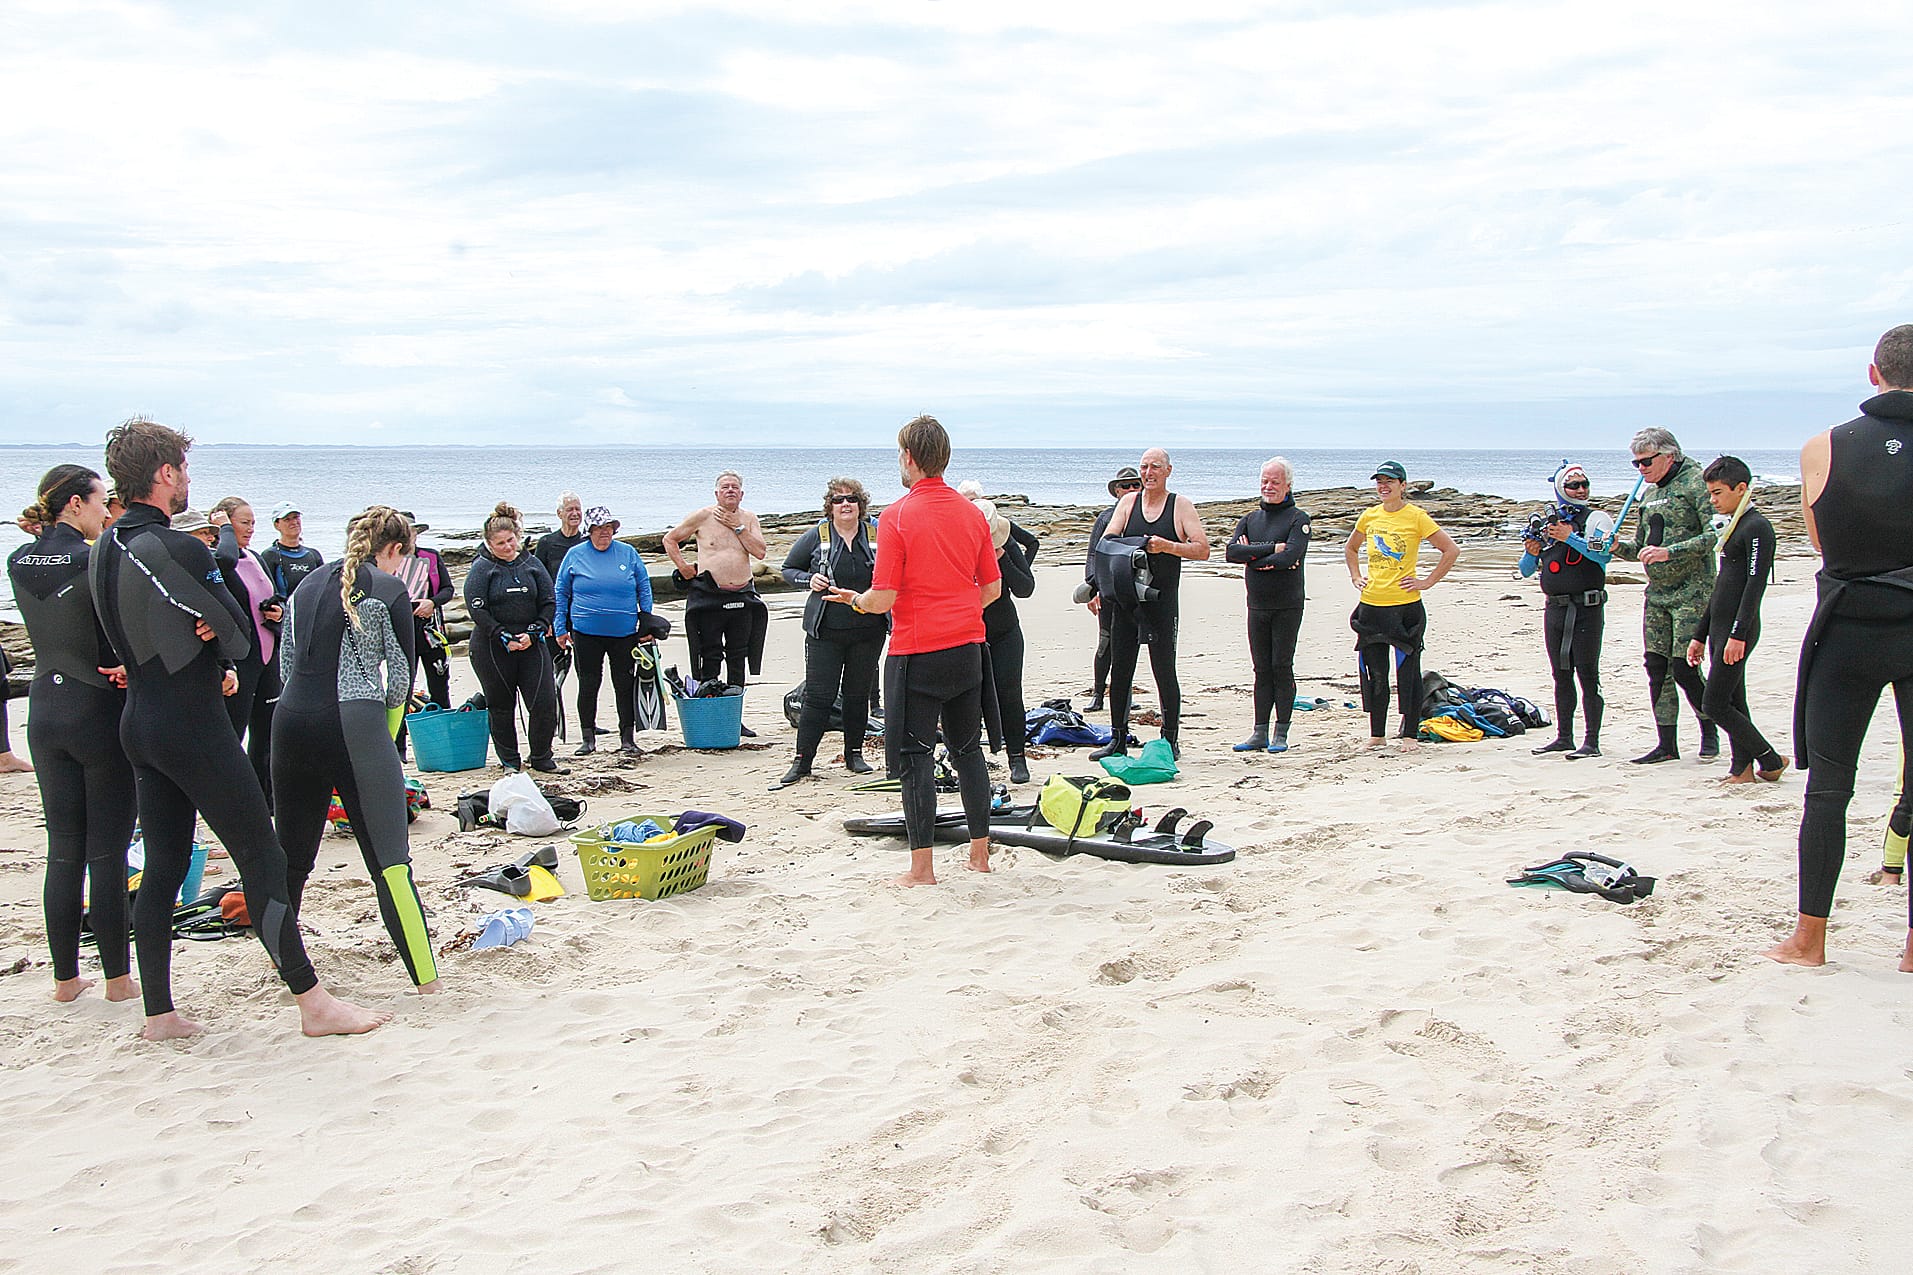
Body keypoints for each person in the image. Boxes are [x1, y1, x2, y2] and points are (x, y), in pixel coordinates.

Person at [90, 417, 384, 1039]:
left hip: (138, 723)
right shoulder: (180, 547)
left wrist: (204, 641)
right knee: (264, 855)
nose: (188, 479)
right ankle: (314, 1005)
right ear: (165, 473)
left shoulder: (101, 549)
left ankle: (159, 1013)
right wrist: (216, 646)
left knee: (166, 863)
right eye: (185, 469)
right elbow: (241, 635)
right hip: (191, 727)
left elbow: (138, 631)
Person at [1768, 324, 1913, 970]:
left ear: (1871, 372)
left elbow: (1823, 543)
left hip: (1848, 625)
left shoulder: (1820, 447)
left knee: (1829, 788)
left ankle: (1809, 939)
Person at [829, 416, 1001, 885]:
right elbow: (992, 588)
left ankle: (921, 869)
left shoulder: (897, 516)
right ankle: (980, 856)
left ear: (909, 457)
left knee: (914, 757)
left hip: (916, 654)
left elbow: (882, 597)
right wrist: (958, 607)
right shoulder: (972, 514)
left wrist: (857, 601)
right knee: (968, 752)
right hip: (968, 649)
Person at [273, 507, 438, 992]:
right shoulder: (390, 590)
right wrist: (382, 742)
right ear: (393, 551)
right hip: (355, 723)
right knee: (390, 863)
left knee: (292, 860)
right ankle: (427, 982)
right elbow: (401, 681)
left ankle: (288, 974)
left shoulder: (304, 588)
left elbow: (286, 664)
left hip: (291, 723)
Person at [8, 465, 136, 1003]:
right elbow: (113, 629)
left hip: (44, 708)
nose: (106, 511)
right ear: (76, 504)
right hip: (94, 708)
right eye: (101, 501)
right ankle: (117, 980)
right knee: (106, 851)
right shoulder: (92, 557)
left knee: (63, 849)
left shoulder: (18, 559)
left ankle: (65, 981)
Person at [1089, 448, 1210, 762]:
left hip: (1162, 602)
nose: (1148, 472)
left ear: (1168, 470)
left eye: (1155, 466)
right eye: (1144, 467)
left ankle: (1170, 739)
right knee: (1122, 670)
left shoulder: (1180, 506)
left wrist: (1166, 546)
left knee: (1164, 671)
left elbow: (1202, 549)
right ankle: (1117, 738)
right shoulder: (1128, 503)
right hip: (1127, 600)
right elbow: (1107, 541)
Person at [1614, 428, 1718, 765]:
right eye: (1636, 463)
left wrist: (1669, 553)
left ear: (1668, 456)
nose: (1640, 469)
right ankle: (1667, 743)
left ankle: (1710, 730)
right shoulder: (1649, 494)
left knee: (1684, 668)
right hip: (1657, 592)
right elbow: (1643, 547)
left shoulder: (1696, 483)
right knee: (1657, 667)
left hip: (1693, 590)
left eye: (1646, 461)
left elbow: (1713, 535)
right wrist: (1617, 548)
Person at [776, 477, 887, 787]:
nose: (846, 504)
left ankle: (854, 754)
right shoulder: (817, 536)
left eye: (852, 499)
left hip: (868, 629)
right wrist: (807, 580)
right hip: (825, 630)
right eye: (839, 500)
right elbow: (788, 570)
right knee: (818, 696)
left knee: (857, 695)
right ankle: (802, 762)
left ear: (861, 505)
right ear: (830, 506)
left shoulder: (877, 535)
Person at [1342, 461, 1460, 748]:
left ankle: (1409, 733)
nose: (1384, 486)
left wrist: (1427, 581)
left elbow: (1450, 550)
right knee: (1376, 672)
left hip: (1405, 606)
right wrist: (1356, 576)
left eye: (1390, 481)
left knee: (1407, 672)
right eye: (1379, 481)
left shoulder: (1416, 517)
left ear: (1403, 485)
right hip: (1372, 605)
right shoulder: (1369, 517)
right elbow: (1351, 547)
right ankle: (1377, 734)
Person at [1686, 456, 1786, 784]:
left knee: (1713, 703)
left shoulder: (1756, 527)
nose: (1712, 500)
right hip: (1719, 627)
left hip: (1738, 629)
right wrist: (1700, 634)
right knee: (1734, 699)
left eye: (1717, 493)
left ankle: (1770, 758)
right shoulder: (1734, 525)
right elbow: (1721, 587)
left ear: (1741, 489)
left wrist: (1738, 633)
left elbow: (1754, 585)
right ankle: (1742, 769)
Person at [1519, 462, 1615, 759]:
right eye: (1574, 485)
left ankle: (1592, 741)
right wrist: (1531, 552)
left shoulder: (1596, 519)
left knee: (1588, 673)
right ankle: (1564, 736)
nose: (1581, 490)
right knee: (1561, 674)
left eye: (1585, 484)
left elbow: (1602, 557)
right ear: (1561, 488)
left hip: (1587, 607)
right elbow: (1525, 570)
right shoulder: (1549, 525)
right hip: (1556, 609)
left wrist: (1569, 537)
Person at [464, 502, 564, 773]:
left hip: (531, 642)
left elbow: (549, 600)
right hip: (492, 645)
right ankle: (509, 761)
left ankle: (542, 756)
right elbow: (476, 608)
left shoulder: (531, 564)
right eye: (500, 543)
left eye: (510, 541)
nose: (507, 547)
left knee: (544, 702)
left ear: (518, 537)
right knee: (501, 706)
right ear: (488, 543)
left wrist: (535, 631)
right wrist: (501, 634)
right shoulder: (483, 568)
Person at [553, 506, 657, 756]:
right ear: (590, 531)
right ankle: (588, 737)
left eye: (608, 528)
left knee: (624, 683)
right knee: (589, 684)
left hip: (624, 632)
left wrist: (647, 622)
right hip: (586, 632)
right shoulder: (575, 554)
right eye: (599, 529)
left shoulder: (628, 553)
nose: (604, 533)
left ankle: (627, 738)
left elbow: (644, 587)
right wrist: (560, 626)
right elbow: (561, 592)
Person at [1225, 457, 1311, 754]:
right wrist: (1271, 549)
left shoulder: (1298, 519)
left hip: (1287, 604)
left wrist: (1255, 556)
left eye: (1275, 482)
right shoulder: (1250, 519)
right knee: (1261, 668)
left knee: (1281, 666)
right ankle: (1259, 731)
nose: (1268, 486)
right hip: (1257, 604)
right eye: (1264, 481)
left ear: (1288, 485)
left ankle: (1281, 732)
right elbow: (1232, 552)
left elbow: (1291, 557)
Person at [664, 472, 769, 711]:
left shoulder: (749, 519)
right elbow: (670, 539)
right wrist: (683, 567)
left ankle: (734, 714)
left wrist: (738, 528)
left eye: (734, 487)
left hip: (742, 596)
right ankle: (710, 709)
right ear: (717, 493)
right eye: (725, 487)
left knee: (737, 656)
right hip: (710, 597)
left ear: (741, 494)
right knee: (710, 654)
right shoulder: (703, 516)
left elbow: (760, 553)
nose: (730, 490)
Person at [961, 481, 1040, 785]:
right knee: (968, 697)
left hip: (1005, 630)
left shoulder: (1005, 546)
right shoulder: (958, 548)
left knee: (1009, 695)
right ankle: (971, 758)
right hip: (969, 632)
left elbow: (1026, 588)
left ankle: (1017, 757)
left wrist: (1002, 559)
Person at [210, 497, 281, 800]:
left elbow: (273, 595)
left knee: (266, 733)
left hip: (268, 654)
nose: (251, 529)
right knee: (234, 732)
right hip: (241, 658)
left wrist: (278, 608)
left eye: (253, 522)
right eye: (243, 523)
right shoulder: (216, 560)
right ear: (224, 525)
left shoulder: (254, 557)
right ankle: (227, 796)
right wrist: (223, 530)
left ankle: (263, 797)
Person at [1080, 466, 1141, 713]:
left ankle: (1124, 692)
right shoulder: (1106, 518)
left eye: (1135, 485)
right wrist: (1092, 588)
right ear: (1116, 490)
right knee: (1106, 643)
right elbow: (1094, 553)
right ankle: (1097, 693)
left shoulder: (1144, 516)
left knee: (1129, 644)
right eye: (1125, 486)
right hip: (1107, 590)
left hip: (1134, 591)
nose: (1130, 489)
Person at [393, 513, 454, 712]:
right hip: (402, 632)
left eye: (410, 531)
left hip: (431, 632)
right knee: (402, 689)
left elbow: (447, 589)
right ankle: (399, 739)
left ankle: (444, 734)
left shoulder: (431, 556)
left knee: (440, 686)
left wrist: (432, 602)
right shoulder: (388, 561)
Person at [260, 501, 325, 603]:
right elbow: (264, 592)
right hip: (283, 615)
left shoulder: (313, 555)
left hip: (309, 613)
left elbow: (324, 589)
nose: (294, 522)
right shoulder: (269, 556)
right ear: (276, 525)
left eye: (296, 517)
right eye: (287, 519)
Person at [534, 492, 587, 580]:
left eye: (577, 509)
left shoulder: (587, 543)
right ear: (559, 513)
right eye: (570, 509)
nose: (575, 513)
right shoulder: (546, 542)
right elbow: (538, 575)